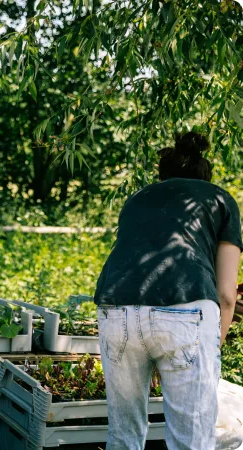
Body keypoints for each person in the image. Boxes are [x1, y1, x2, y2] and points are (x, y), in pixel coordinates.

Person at [93, 131, 242, 450]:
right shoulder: (219, 199)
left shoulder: (137, 199)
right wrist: (209, 350)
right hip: (186, 308)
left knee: (123, 436)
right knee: (191, 441)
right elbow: (227, 295)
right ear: (206, 174)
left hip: (115, 308)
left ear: (163, 175)